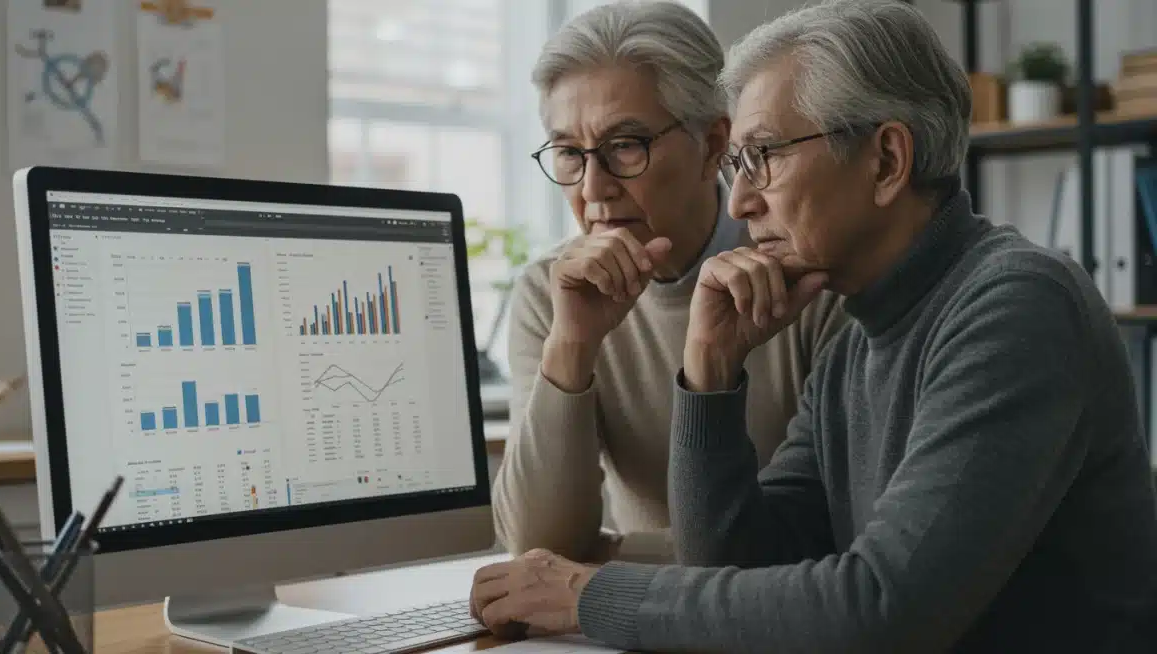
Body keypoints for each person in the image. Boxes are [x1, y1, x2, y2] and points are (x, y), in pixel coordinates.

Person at [470, 0, 1157, 651]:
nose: (740, 197)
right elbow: (735, 565)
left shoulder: (1015, 306)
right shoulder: (861, 332)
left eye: (763, 155)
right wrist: (709, 374)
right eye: (738, 162)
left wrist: (594, 596)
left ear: (886, 160)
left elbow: (882, 611)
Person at [492, 0, 849, 565]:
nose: (592, 190)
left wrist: (617, 557)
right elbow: (540, 552)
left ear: (712, 146)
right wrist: (573, 344)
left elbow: (831, 541)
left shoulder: (809, 281)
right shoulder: (550, 292)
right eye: (568, 153)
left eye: (624, 146)